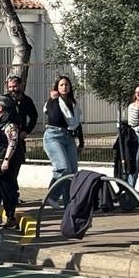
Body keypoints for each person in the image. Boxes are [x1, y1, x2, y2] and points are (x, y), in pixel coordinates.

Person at [0, 96, 25, 228]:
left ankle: (11, 218)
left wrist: (6, 160)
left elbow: (13, 142)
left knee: (7, 190)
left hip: (4, 163)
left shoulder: (10, 125)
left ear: (0, 108)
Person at [43, 76, 84, 207]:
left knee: (72, 172)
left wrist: (81, 141)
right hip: (53, 135)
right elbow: (54, 117)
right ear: (56, 88)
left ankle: (70, 203)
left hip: (68, 137)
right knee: (63, 167)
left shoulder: (73, 104)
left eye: (66, 84)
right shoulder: (52, 102)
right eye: (61, 85)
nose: (64, 87)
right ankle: (52, 196)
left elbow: (77, 124)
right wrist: (54, 99)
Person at [5, 74, 40, 138]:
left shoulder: (27, 100)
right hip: (5, 134)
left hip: (19, 134)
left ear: (20, 86)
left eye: (14, 86)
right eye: (10, 87)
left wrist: (26, 131)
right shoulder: (4, 100)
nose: (12, 89)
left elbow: (34, 117)